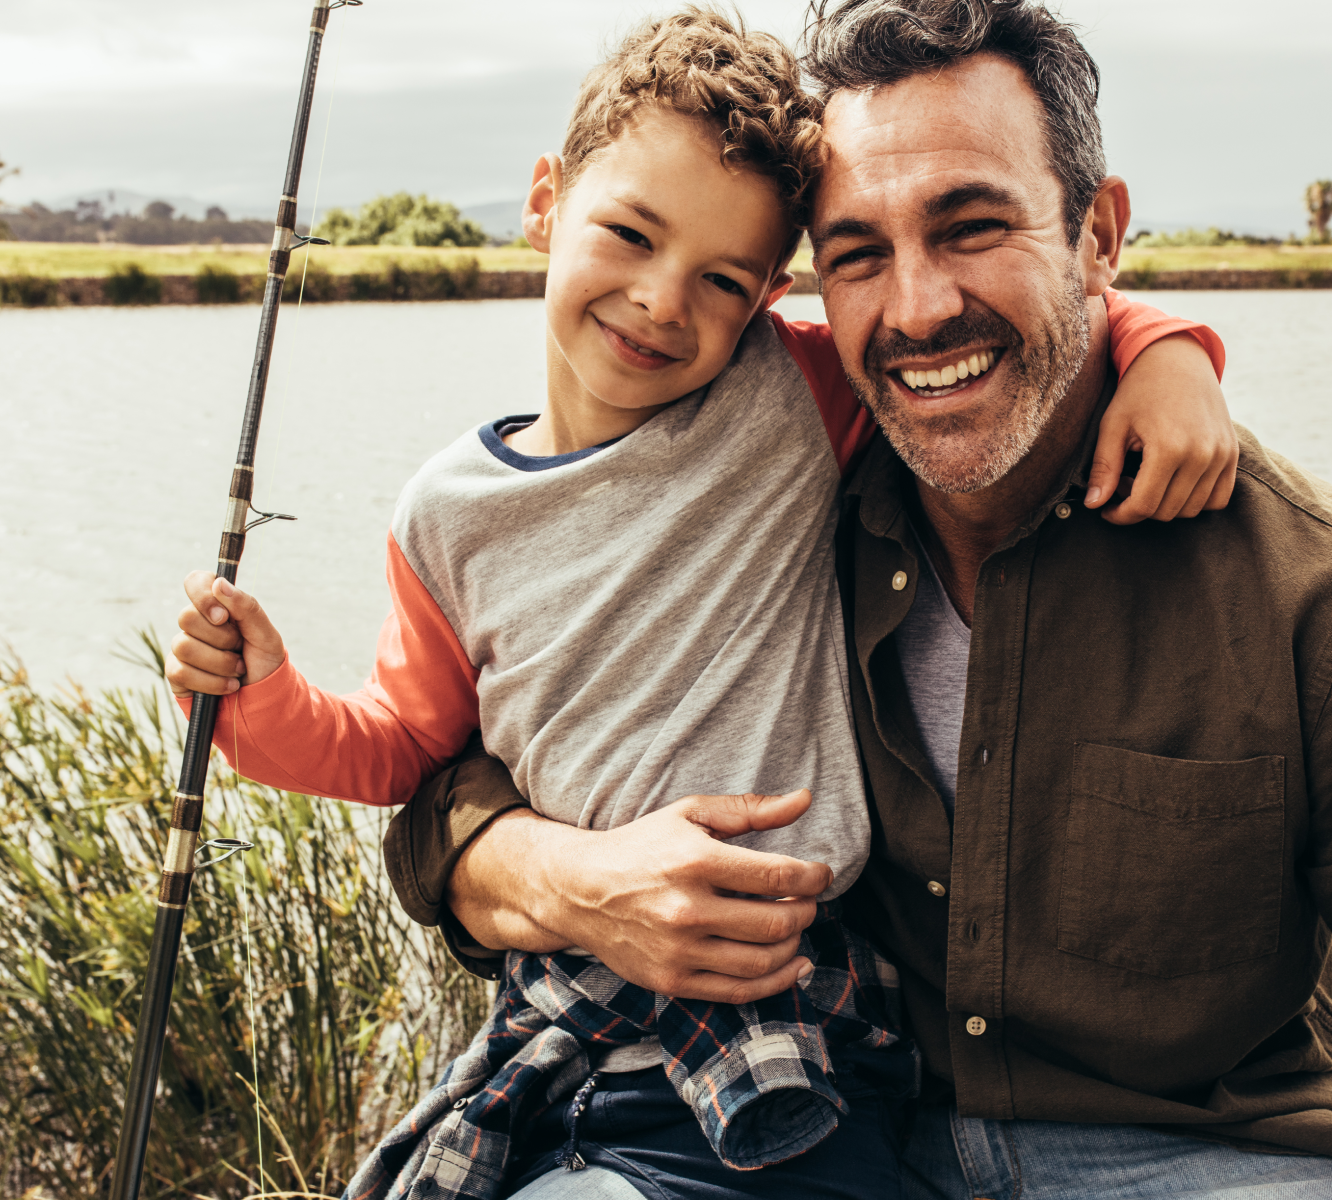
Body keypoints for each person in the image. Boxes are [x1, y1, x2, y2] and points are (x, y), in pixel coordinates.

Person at [392, 2, 1332, 1199]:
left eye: (972, 226)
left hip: (1207, 1168)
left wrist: (1171, 346)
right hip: (838, 1139)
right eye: (858, 254)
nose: (919, 306)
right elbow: (440, 792)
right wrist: (560, 875)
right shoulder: (776, 518)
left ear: (1099, 236)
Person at [164, 8, 1239, 1198]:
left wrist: (1170, 355)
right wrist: (257, 700)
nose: (661, 303)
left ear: (768, 294)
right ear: (544, 201)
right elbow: (402, 747)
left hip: (795, 1009)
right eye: (629, 233)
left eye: (722, 279)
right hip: (566, 1005)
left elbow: (998, 330)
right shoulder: (444, 515)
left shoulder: (792, 394)